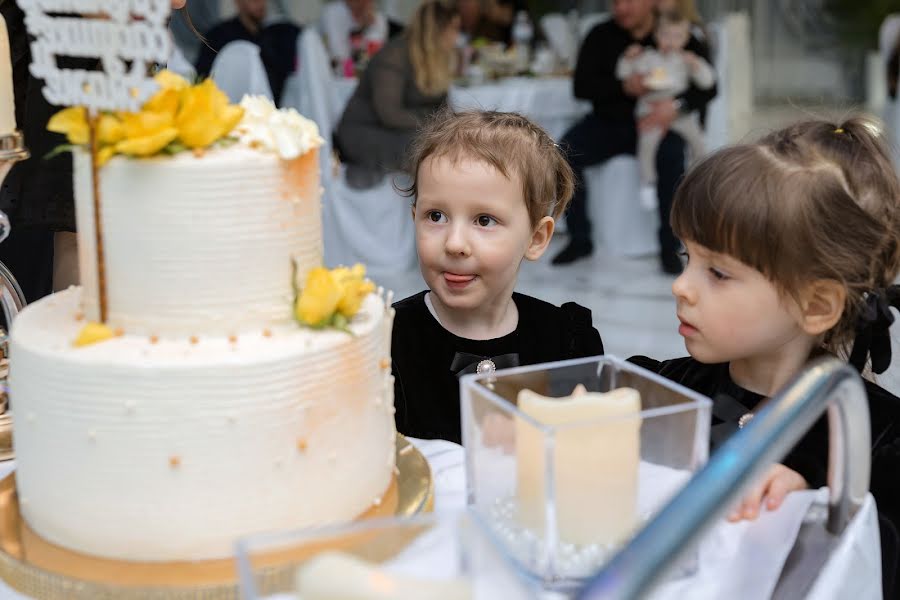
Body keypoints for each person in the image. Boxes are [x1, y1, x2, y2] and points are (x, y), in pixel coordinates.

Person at [630, 118, 900, 598]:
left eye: (717, 272)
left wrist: (815, 515)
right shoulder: (669, 390)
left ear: (816, 305)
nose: (681, 287)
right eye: (684, 257)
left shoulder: (874, 442)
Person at [391, 110, 605, 443]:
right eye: (436, 216)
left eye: (484, 220)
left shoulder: (566, 341)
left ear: (536, 238)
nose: (455, 243)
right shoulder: (386, 342)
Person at [551, 0, 716, 274]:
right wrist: (624, 86)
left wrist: (673, 107)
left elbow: (709, 88)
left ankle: (669, 246)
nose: (621, 8)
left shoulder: (674, 32)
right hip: (609, 123)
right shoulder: (601, 34)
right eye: (615, 2)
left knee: (672, 157)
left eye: (628, 1)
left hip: (661, 125)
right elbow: (581, 86)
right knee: (564, 152)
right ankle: (580, 239)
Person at [335, 1, 459, 189]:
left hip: (405, 129)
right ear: (437, 31)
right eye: (453, 30)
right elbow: (389, 113)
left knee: (451, 143)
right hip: (366, 131)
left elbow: (443, 107)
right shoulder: (394, 57)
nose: (456, 38)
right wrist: (434, 127)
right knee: (426, 149)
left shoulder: (436, 60)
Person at [615, 9, 714, 210]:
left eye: (677, 36)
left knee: (698, 142)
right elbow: (623, 73)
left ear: (685, 39)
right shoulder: (648, 57)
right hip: (650, 109)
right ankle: (647, 183)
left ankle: (698, 180)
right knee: (647, 146)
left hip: (679, 114)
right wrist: (627, 58)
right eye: (665, 35)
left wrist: (697, 66)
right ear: (656, 36)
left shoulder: (686, 60)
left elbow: (708, 83)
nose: (670, 41)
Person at [194, 0, 300, 105]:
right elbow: (202, 82)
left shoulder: (280, 35)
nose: (260, 4)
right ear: (238, 2)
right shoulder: (218, 37)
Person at [319, 0, 404, 72]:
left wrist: (367, 28)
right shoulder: (332, 13)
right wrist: (362, 30)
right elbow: (340, 59)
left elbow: (373, 61)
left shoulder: (378, 19)